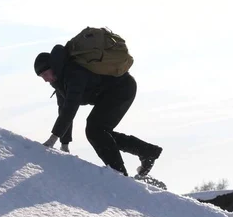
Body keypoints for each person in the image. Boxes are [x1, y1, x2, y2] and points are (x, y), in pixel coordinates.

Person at [34, 44, 162, 177]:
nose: (45, 80)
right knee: (99, 132)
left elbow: (71, 108)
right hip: (110, 94)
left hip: (122, 89)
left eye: (45, 74)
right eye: (42, 77)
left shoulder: (73, 73)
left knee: (95, 130)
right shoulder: (59, 81)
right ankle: (146, 152)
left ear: (52, 67)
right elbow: (64, 110)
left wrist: (53, 138)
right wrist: (64, 143)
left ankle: (119, 173)